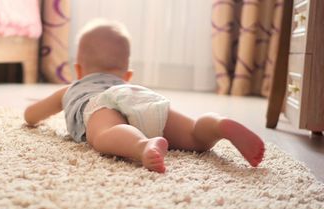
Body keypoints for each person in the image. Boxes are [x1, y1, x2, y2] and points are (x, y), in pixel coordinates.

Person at [24, 19, 265, 173]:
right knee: (194, 137)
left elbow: (31, 115)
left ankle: (142, 146)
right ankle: (217, 125)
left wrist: (33, 115)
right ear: (127, 74)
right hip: (141, 98)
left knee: (105, 134)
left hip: (98, 105)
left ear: (78, 70)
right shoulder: (127, 87)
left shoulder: (72, 89)